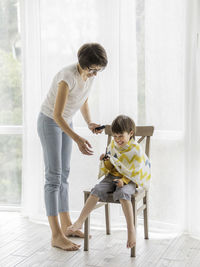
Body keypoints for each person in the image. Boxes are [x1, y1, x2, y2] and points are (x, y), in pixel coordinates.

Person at [37, 43, 108, 251]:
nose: (95, 74)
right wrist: (77, 139)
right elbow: (57, 115)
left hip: (65, 122)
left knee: (64, 175)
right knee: (53, 177)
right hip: (50, 121)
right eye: (93, 69)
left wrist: (89, 123)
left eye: (98, 70)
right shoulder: (66, 76)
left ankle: (67, 226)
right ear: (83, 64)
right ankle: (56, 235)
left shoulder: (87, 77)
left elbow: (83, 99)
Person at [67, 115, 151, 249]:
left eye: (120, 136)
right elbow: (110, 168)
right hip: (112, 177)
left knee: (123, 193)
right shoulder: (113, 145)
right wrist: (105, 160)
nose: (117, 140)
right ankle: (80, 221)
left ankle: (131, 230)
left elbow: (136, 171)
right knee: (96, 190)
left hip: (129, 180)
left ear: (130, 133)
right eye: (115, 136)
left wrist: (123, 181)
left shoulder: (136, 150)